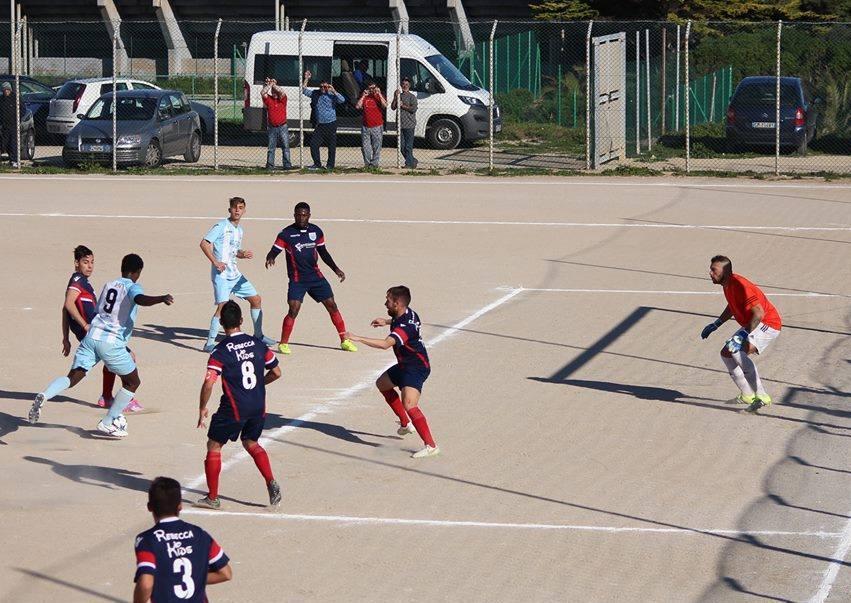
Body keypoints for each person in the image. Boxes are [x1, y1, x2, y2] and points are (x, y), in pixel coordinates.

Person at [30, 253, 173, 436]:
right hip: (111, 342)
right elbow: (140, 300)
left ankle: (45, 394)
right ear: (137, 272)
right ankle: (109, 420)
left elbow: (99, 311)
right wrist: (161, 298)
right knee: (132, 382)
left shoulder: (109, 284)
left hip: (91, 338)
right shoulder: (132, 286)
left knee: (73, 377)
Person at [195, 301, 282, 510]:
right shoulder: (257, 344)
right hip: (258, 405)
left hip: (233, 407)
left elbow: (209, 382)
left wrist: (202, 407)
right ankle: (271, 481)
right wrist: (261, 383)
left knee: (214, 445)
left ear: (222, 323)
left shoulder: (220, 351)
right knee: (251, 442)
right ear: (242, 321)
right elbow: (277, 372)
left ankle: (213, 498)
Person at [345, 286, 439, 458]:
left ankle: (431, 446)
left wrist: (357, 338)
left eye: (388, 300)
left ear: (397, 303)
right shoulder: (408, 314)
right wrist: (386, 322)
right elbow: (399, 322)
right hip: (404, 365)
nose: (385, 303)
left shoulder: (404, 328)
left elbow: (385, 344)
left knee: (410, 404)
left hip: (416, 368)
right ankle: (405, 424)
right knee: (382, 384)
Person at [265, 202, 357, 355]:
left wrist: (336, 269)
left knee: (332, 306)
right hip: (297, 280)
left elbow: (323, 252)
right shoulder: (286, 234)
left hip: (316, 278)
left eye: (304, 215)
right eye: (298, 215)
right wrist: (271, 257)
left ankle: (344, 340)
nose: (301, 217)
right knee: (293, 309)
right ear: (294, 215)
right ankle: (283, 343)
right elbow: (274, 250)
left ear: (309, 215)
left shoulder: (316, 231)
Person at [62, 244, 142, 412]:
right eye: (85, 262)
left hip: (96, 330)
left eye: (92, 262)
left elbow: (65, 310)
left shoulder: (84, 282)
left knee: (111, 359)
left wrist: (66, 337)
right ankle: (122, 400)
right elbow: (68, 304)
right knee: (129, 358)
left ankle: (106, 396)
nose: (90, 266)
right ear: (76, 263)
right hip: (95, 333)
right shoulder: (77, 281)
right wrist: (84, 325)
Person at [701, 255, 782, 412]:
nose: (710, 273)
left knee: (736, 350)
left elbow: (758, 313)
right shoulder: (727, 285)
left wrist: (743, 334)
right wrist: (716, 324)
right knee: (726, 353)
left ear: (726, 271)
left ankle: (762, 396)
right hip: (752, 323)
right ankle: (747, 394)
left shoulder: (741, 285)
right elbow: (732, 306)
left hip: (768, 323)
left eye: (713, 270)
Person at [134, 476, 232, 603]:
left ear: (149, 507)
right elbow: (226, 573)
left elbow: (146, 583)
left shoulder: (147, 540)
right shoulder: (200, 535)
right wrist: (194, 577)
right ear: (180, 506)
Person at [200, 197, 274, 352]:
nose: (237, 210)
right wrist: (215, 262)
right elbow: (204, 243)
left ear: (244, 210)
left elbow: (234, 252)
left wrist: (242, 253)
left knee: (256, 299)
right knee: (222, 307)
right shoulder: (221, 225)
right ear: (230, 210)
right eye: (234, 208)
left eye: (240, 208)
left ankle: (259, 335)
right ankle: (209, 343)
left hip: (235, 274)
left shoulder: (239, 230)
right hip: (222, 275)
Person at [302, 70, 345, 170]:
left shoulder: (332, 95)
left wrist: (333, 91)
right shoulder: (315, 93)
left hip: (331, 124)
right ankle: (317, 164)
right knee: (313, 144)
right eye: (321, 86)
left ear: (328, 87)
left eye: (325, 87)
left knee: (331, 146)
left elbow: (342, 100)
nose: (322, 88)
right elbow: (304, 90)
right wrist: (306, 79)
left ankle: (330, 166)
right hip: (320, 125)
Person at [261, 77, 292, 170]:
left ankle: (287, 165)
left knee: (285, 147)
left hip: (282, 126)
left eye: (276, 91)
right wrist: (270, 84)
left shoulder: (282, 99)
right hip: (272, 127)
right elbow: (263, 93)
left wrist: (274, 84)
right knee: (271, 148)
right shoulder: (269, 100)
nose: (274, 93)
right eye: (273, 91)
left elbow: (282, 92)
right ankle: (270, 165)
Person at [355, 79, 386, 169]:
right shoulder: (365, 97)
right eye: (370, 88)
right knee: (365, 147)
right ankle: (367, 164)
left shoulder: (378, 96)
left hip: (377, 125)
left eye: (373, 88)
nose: (372, 90)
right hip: (366, 126)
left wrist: (379, 93)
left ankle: (374, 164)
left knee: (377, 146)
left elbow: (385, 105)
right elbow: (357, 106)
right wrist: (363, 96)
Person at [391, 77, 418, 169]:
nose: (404, 86)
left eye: (406, 84)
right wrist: (395, 97)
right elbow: (393, 107)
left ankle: (409, 164)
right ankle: (412, 161)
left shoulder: (412, 97)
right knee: (401, 147)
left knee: (408, 146)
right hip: (400, 124)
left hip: (409, 124)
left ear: (409, 86)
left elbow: (413, 109)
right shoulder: (399, 96)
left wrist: (403, 106)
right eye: (403, 84)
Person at [0, 81, 24, 168]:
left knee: (14, 143)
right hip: (5, 125)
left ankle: (14, 160)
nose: (6, 91)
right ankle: (10, 158)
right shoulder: (2, 99)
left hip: (14, 124)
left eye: (7, 89)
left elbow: (22, 109)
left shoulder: (15, 98)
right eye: (4, 90)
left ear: (10, 90)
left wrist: (18, 119)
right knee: (5, 143)